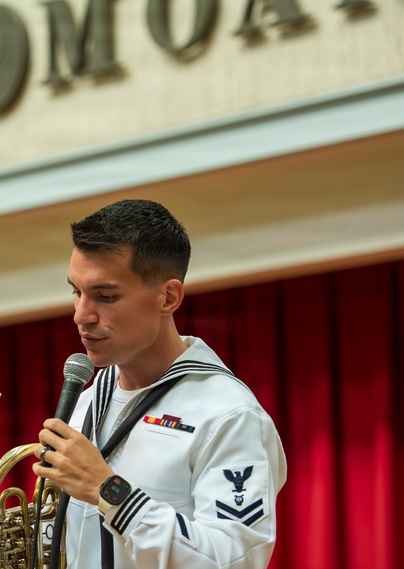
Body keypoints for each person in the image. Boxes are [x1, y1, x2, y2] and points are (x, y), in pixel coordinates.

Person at [32, 199, 287, 569]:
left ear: (168, 297)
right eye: (76, 291)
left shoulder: (230, 415)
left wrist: (109, 491)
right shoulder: (86, 403)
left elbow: (234, 560)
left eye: (106, 297)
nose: (81, 316)